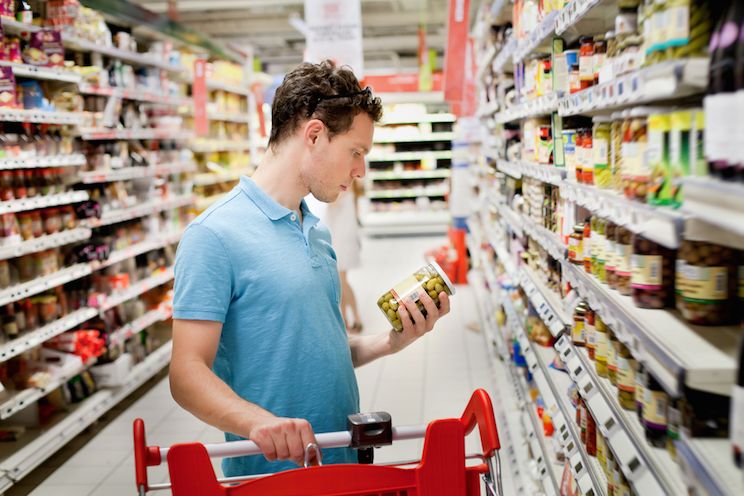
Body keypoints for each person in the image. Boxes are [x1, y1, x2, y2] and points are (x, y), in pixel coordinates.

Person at [169, 60, 451, 478]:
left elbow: (321, 348)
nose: (360, 170)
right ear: (315, 135)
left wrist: (390, 342)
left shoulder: (315, 229)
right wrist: (256, 423)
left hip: (341, 459)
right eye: (356, 152)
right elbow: (186, 373)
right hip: (271, 477)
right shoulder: (214, 235)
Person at [324, 182, 363, 333]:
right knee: (340, 280)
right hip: (339, 235)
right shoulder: (345, 185)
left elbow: (332, 202)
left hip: (343, 238)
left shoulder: (345, 185)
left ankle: (355, 317)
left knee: (341, 280)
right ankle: (345, 318)